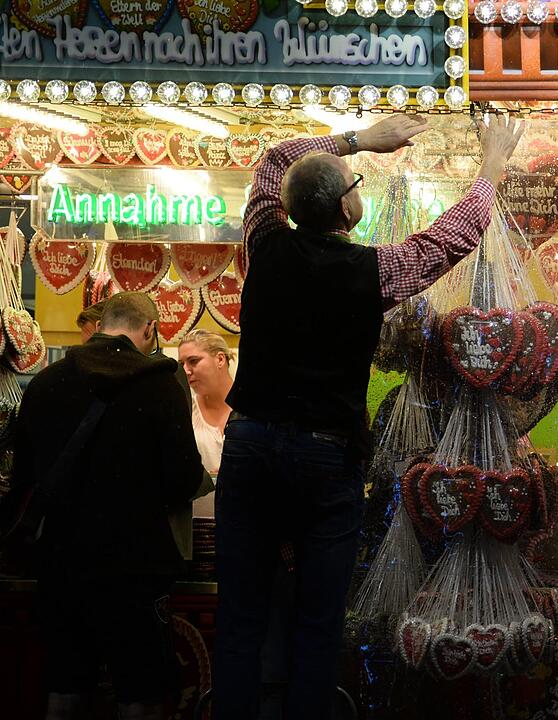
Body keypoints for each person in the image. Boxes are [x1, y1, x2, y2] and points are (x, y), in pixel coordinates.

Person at [213, 113, 525, 719]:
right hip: (325, 456)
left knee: (241, 613)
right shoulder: (371, 272)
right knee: (318, 616)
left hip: (249, 445)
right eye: (355, 183)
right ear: (348, 211)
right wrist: (491, 167)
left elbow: (275, 158)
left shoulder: (264, 245)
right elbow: (445, 242)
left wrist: (359, 139)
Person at [14, 292, 204, 720]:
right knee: (140, 690)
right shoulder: (160, 383)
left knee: (65, 685)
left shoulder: (46, 383)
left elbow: (24, 477)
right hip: (135, 566)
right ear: (149, 330)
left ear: (100, 325)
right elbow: (183, 479)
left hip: (60, 561)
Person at [178, 329, 235, 477]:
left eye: (193, 361)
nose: (186, 371)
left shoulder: (251, 408)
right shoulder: (185, 410)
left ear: (220, 360)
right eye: (181, 364)